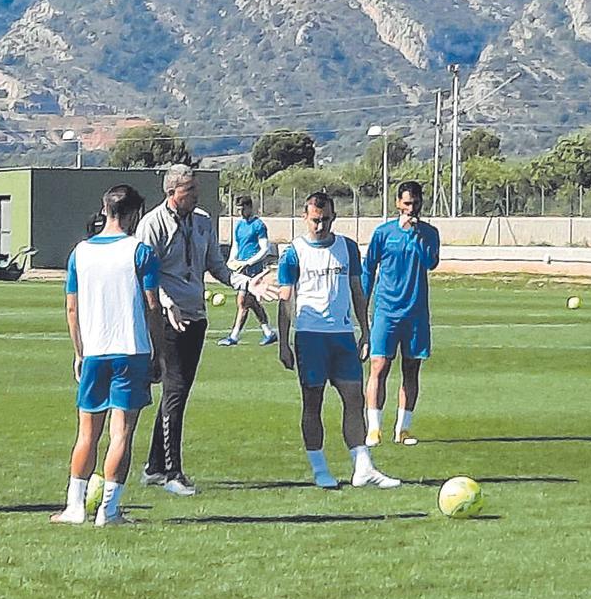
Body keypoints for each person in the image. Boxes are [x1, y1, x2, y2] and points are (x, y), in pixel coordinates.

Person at [137, 165, 276, 497]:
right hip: (168, 319)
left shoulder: (201, 221)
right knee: (174, 390)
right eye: (190, 190)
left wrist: (247, 282)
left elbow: (216, 265)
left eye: (197, 189)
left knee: (178, 393)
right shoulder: (151, 225)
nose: (197, 196)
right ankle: (172, 473)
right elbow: (146, 276)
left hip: (196, 317)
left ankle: (154, 467)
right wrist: (168, 303)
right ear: (172, 192)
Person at [51, 184, 162, 526]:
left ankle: (74, 507)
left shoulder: (80, 253)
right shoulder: (140, 252)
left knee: (86, 433)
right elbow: (152, 305)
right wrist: (156, 352)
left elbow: (72, 308)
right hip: (131, 351)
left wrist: (79, 351)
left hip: (95, 351)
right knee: (121, 434)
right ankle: (109, 511)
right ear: (133, 214)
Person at [277, 192, 400, 489]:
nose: (320, 226)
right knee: (312, 403)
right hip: (310, 337)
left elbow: (357, 291)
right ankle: (320, 468)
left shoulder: (347, 248)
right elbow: (285, 299)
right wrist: (284, 342)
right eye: (316, 220)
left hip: (342, 337)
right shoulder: (294, 252)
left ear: (334, 218)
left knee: (354, 399)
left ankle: (363, 467)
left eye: (326, 220)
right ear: (305, 218)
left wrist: (365, 331)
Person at [363, 181, 441, 447]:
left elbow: (431, 262)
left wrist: (417, 236)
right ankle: (374, 428)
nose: (411, 208)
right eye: (407, 203)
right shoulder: (383, 233)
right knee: (379, 366)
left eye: (416, 203)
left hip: (416, 313)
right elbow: (368, 268)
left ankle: (403, 429)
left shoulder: (429, 233)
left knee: (411, 369)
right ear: (397, 203)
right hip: (387, 310)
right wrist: (362, 304)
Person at [218, 195, 277, 347]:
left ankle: (234, 336)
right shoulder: (239, 225)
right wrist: (232, 261)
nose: (240, 211)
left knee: (243, 302)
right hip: (241, 269)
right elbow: (236, 246)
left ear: (250, 207)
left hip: (253, 270)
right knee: (252, 303)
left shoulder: (258, 225)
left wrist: (249, 262)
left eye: (243, 208)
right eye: (238, 209)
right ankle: (269, 333)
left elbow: (265, 249)